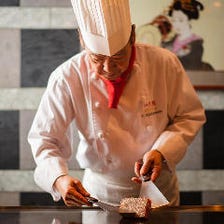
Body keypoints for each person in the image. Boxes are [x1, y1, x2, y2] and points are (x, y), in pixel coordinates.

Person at [28, 0, 206, 207]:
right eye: (97, 58)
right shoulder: (67, 76)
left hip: (158, 190)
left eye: (119, 56)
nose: (109, 68)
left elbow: (189, 116)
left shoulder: (164, 63)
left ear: (132, 36)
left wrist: (162, 151)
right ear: (82, 40)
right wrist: (58, 179)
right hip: (101, 194)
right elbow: (45, 139)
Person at [163, 0, 214, 70]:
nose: (177, 24)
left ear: (190, 20)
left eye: (181, 20)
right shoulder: (168, 42)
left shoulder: (196, 44)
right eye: (174, 20)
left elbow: (192, 66)